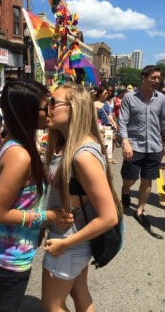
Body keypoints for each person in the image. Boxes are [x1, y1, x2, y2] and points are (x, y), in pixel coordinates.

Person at [0, 79, 73, 312]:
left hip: (5, 244)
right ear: (27, 113)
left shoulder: (19, 140)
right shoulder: (20, 155)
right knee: (8, 306)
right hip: (9, 252)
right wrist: (47, 216)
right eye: (46, 106)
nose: (51, 110)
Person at [42, 83, 120, 312]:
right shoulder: (72, 145)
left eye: (53, 103)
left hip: (68, 244)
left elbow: (109, 217)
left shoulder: (83, 155)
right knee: (80, 294)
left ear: (74, 108)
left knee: (52, 305)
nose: (48, 107)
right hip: (74, 243)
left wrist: (65, 243)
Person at [119, 65, 165, 228]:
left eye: (158, 78)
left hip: (154, 147)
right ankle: (125, 190)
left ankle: (139, 211)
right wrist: (125, 142)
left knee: (147, 181)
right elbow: (122, 121)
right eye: (153, 78)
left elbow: (164, 123)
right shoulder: (129, 98)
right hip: (134, 146)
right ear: (143, 78)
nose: (157, 81)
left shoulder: (161, 98)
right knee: (130, 180)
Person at [94, 87, 118, 164]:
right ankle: (101, 159)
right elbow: (94, 117)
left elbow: (109, 115)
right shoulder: (95, 104)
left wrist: (114, 123)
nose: (106, 95)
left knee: (109, 142)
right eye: (105, 93)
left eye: (107, 93)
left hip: (108, 126)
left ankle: (108, 159)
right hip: (100, 126)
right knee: (101, 143)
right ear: (100, 94)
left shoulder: (107, 103)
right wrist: (99, 127)